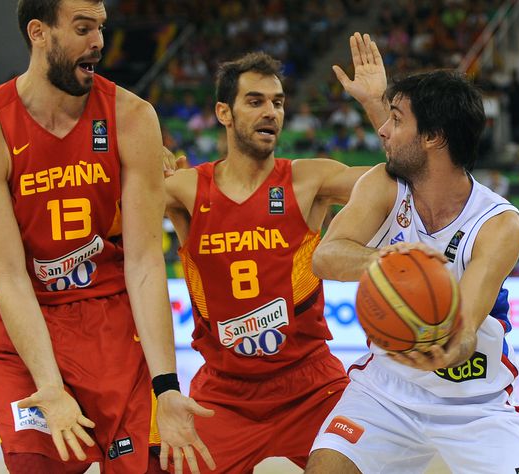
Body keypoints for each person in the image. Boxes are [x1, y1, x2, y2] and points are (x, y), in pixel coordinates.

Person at [0, 1, 213, 473]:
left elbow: (145, 262)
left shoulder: (132, 116)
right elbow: (8, 275)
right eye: (83, 28)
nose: (99, 42)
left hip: (111, 321)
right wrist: (49, 385)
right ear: (39, 32)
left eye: (101, 28)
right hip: (26, 325)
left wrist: (167, 385)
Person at [163, 33, 387, 472]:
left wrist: (377, 104)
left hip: (310, 384)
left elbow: (398, 183)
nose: (271, 112)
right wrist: (140, 159)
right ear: (223, 113)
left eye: (278, 102)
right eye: (255, 101)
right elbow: (108, 207)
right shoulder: (187, 189)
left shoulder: (309, 180)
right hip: (224, 392)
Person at [305, 68, 519, 472]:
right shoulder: (383, 184)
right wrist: (391, 263)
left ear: (434, 137)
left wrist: (446, 349)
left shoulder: (500, 223)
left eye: (396, 120)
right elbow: (324, 258)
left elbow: (464, 329)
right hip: (386, 392)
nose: (383, 130)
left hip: (476, 402)